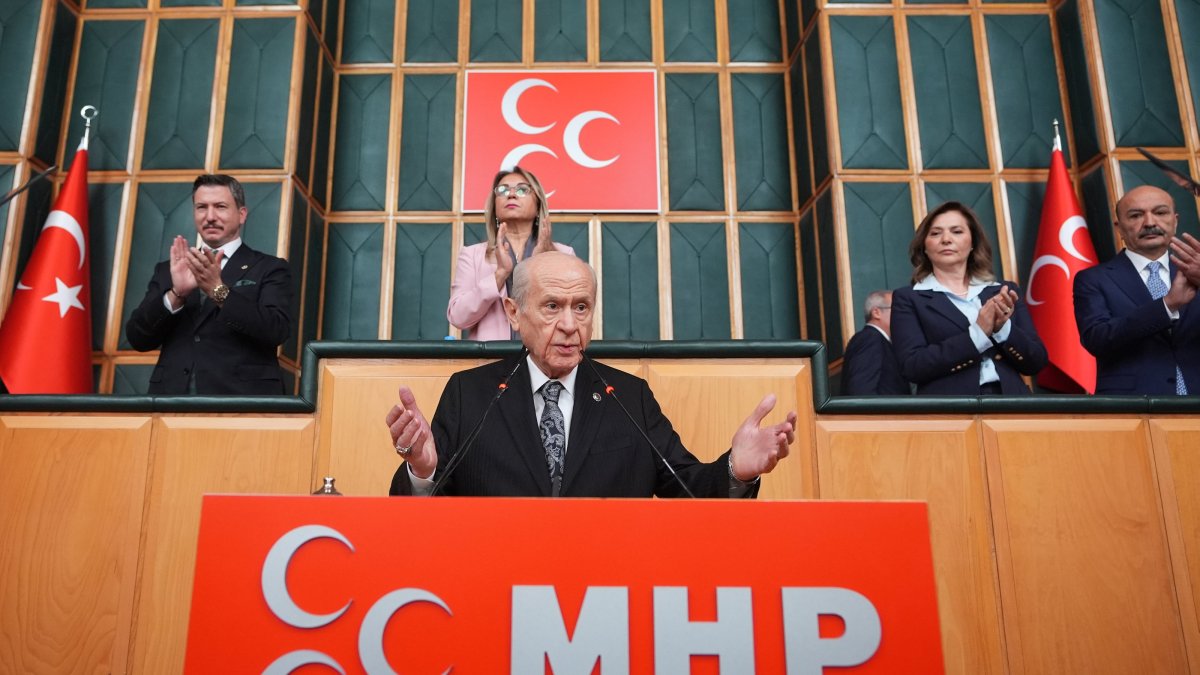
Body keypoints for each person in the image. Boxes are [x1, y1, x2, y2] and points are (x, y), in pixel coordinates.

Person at [386, 251, 797, 497]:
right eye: (552, 306)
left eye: (581, 307)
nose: (569, 325)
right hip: (497, 592)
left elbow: (687, 488)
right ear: (514, 313)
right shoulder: (470, 394)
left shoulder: (629, 398)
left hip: (606, 594)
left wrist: (735, 469)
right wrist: (422, 472)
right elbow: (424, 518)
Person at [125, 174, 292, 395]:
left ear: (242, 214)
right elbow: (138, 339)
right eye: (202, 207)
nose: (210, 217)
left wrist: (218, 291)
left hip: (241, 399)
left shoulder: (269, 267)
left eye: (220, 207)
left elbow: (276, 330)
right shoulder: (170, 269)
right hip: (172, 399)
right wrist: (176, 294)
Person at [890, 201, 1047, 395]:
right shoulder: (909, 298)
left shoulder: (1003, 292)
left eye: (957, 231)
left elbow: (1037, 361)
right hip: (951, 407)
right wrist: (978, 333)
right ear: (924, 246)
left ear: (973, 243)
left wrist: (1002, 330)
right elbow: (912, 367)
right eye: (935, 233)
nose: (946, 239)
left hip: (1011, 402)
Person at [1073, 185, 1199, 394]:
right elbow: (1096, 339)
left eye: (1160, 213)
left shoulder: (1195, 270)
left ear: (1175, 221)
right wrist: (1167, 305)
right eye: (1136, 216)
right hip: (1134, 403)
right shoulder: (1093, 279)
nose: (1149, 223)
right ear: (1119, 228)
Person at [448, 166, 573, 340]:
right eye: (503, 190)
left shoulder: (563, 254)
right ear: (495, 207)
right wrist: (499, 275)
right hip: (492, 355)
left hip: (545, 355)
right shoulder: (472, 255)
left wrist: (543, 264)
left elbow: (571, 316)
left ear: (538, 206)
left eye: (522, 190)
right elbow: (458, 317)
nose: (511, 195)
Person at [841, 290, 909, 395]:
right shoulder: (870, 339)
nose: (903, 315)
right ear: (876, 312)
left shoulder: (877, 340)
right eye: (897, 308)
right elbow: (861, 391)